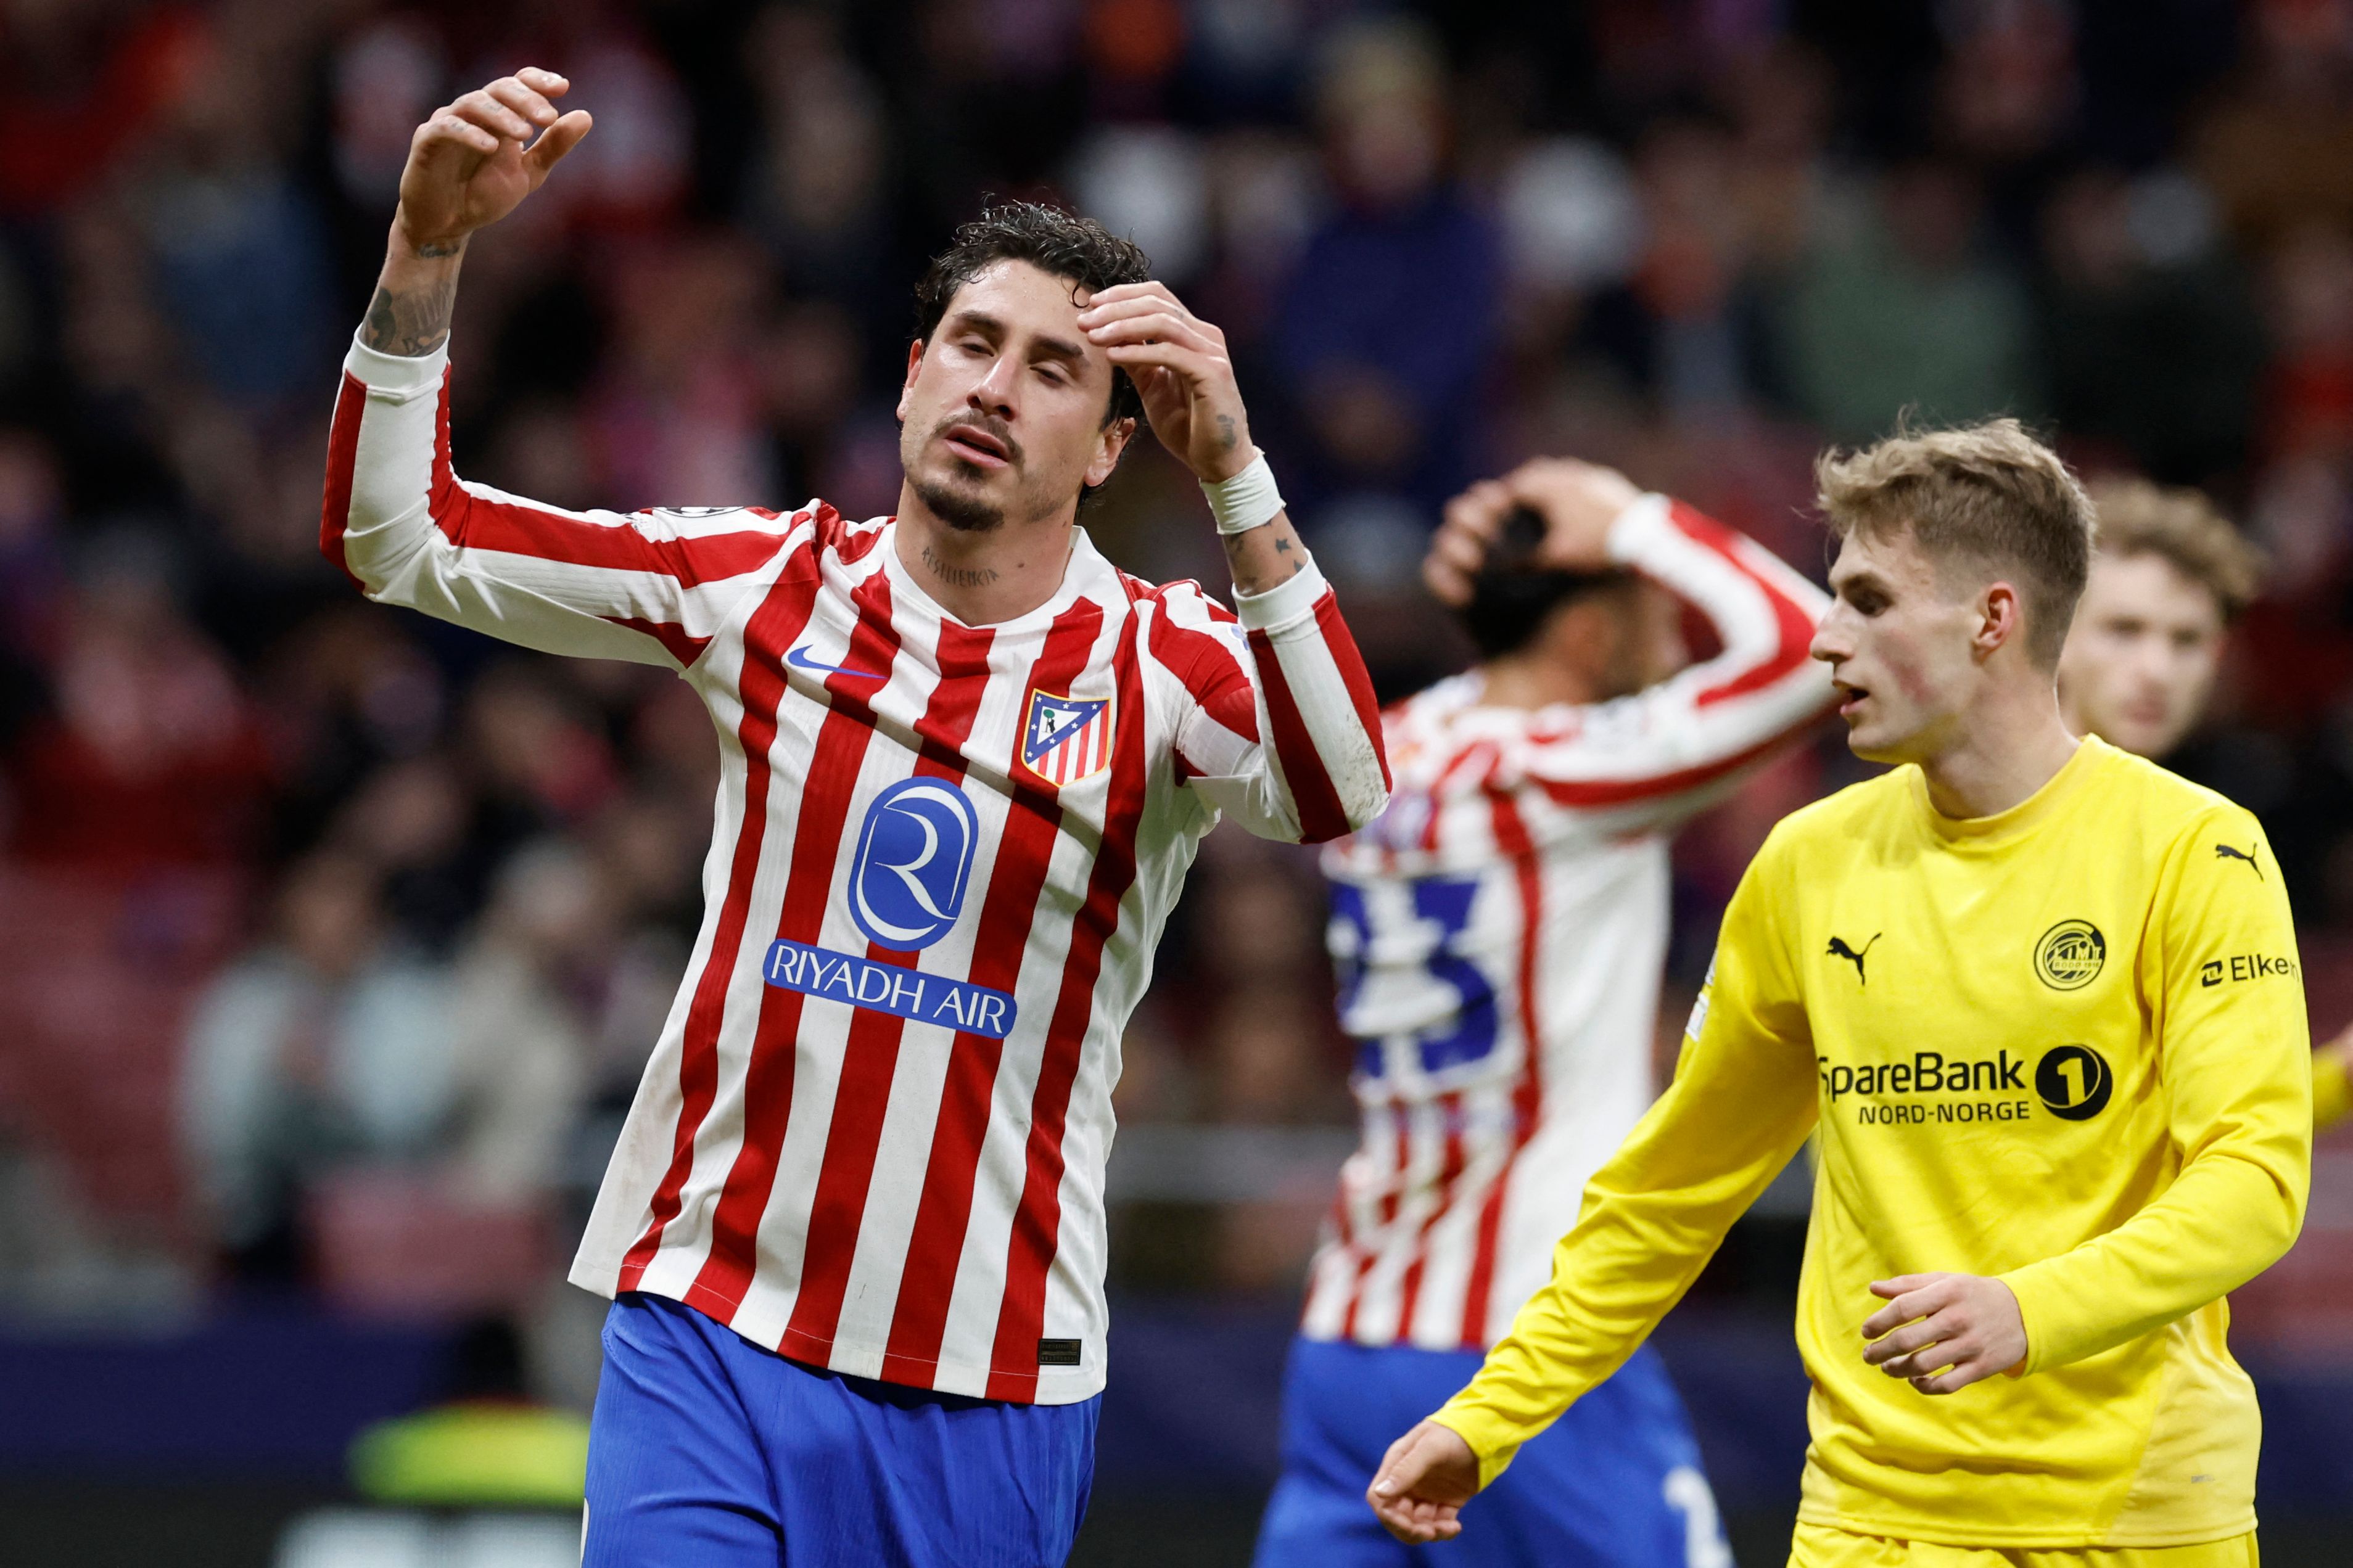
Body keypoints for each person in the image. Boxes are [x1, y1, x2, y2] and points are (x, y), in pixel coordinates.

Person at [323, 69, 1389, 1566]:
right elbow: (403, 536)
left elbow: (1342, 789)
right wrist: (422, 257)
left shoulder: (1166, 658)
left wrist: (1235, 470)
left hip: (991, 1376)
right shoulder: (761, 584)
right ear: (908, 379)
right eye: (971, 345)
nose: (995, 388)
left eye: (1052, 371)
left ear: (1104, 447)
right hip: (711, 1322)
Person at [1367, 420, 2313, 1567]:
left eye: (1868, 600)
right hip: (1866, 1519)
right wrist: (1492, 1412)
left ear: (1992, 618)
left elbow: (2255, 1182)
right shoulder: (1806, 864)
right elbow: (1670, 1191)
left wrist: (2032, 1309)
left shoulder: (2194, 849)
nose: (1825, 638)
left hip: (2132, 1516)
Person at [1256, 456, 1832, 1566]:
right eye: (1645, 605)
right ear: (1584, 634)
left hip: (1352, 1332)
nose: (1670, 632)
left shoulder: (1391, 746)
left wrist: (1508, 554)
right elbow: (1809, 649)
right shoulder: (1561, 773)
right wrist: (1636, 515)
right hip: (1527, 1343)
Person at [2056, 477, 2352, 1130]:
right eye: (2122, 629)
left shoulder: (2201, 836)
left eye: (2185, 639)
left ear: (2217, 655)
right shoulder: (1965, 815)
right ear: (2055, 634)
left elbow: (2197, 1124)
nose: (2156, 668)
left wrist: (2340, 1074)